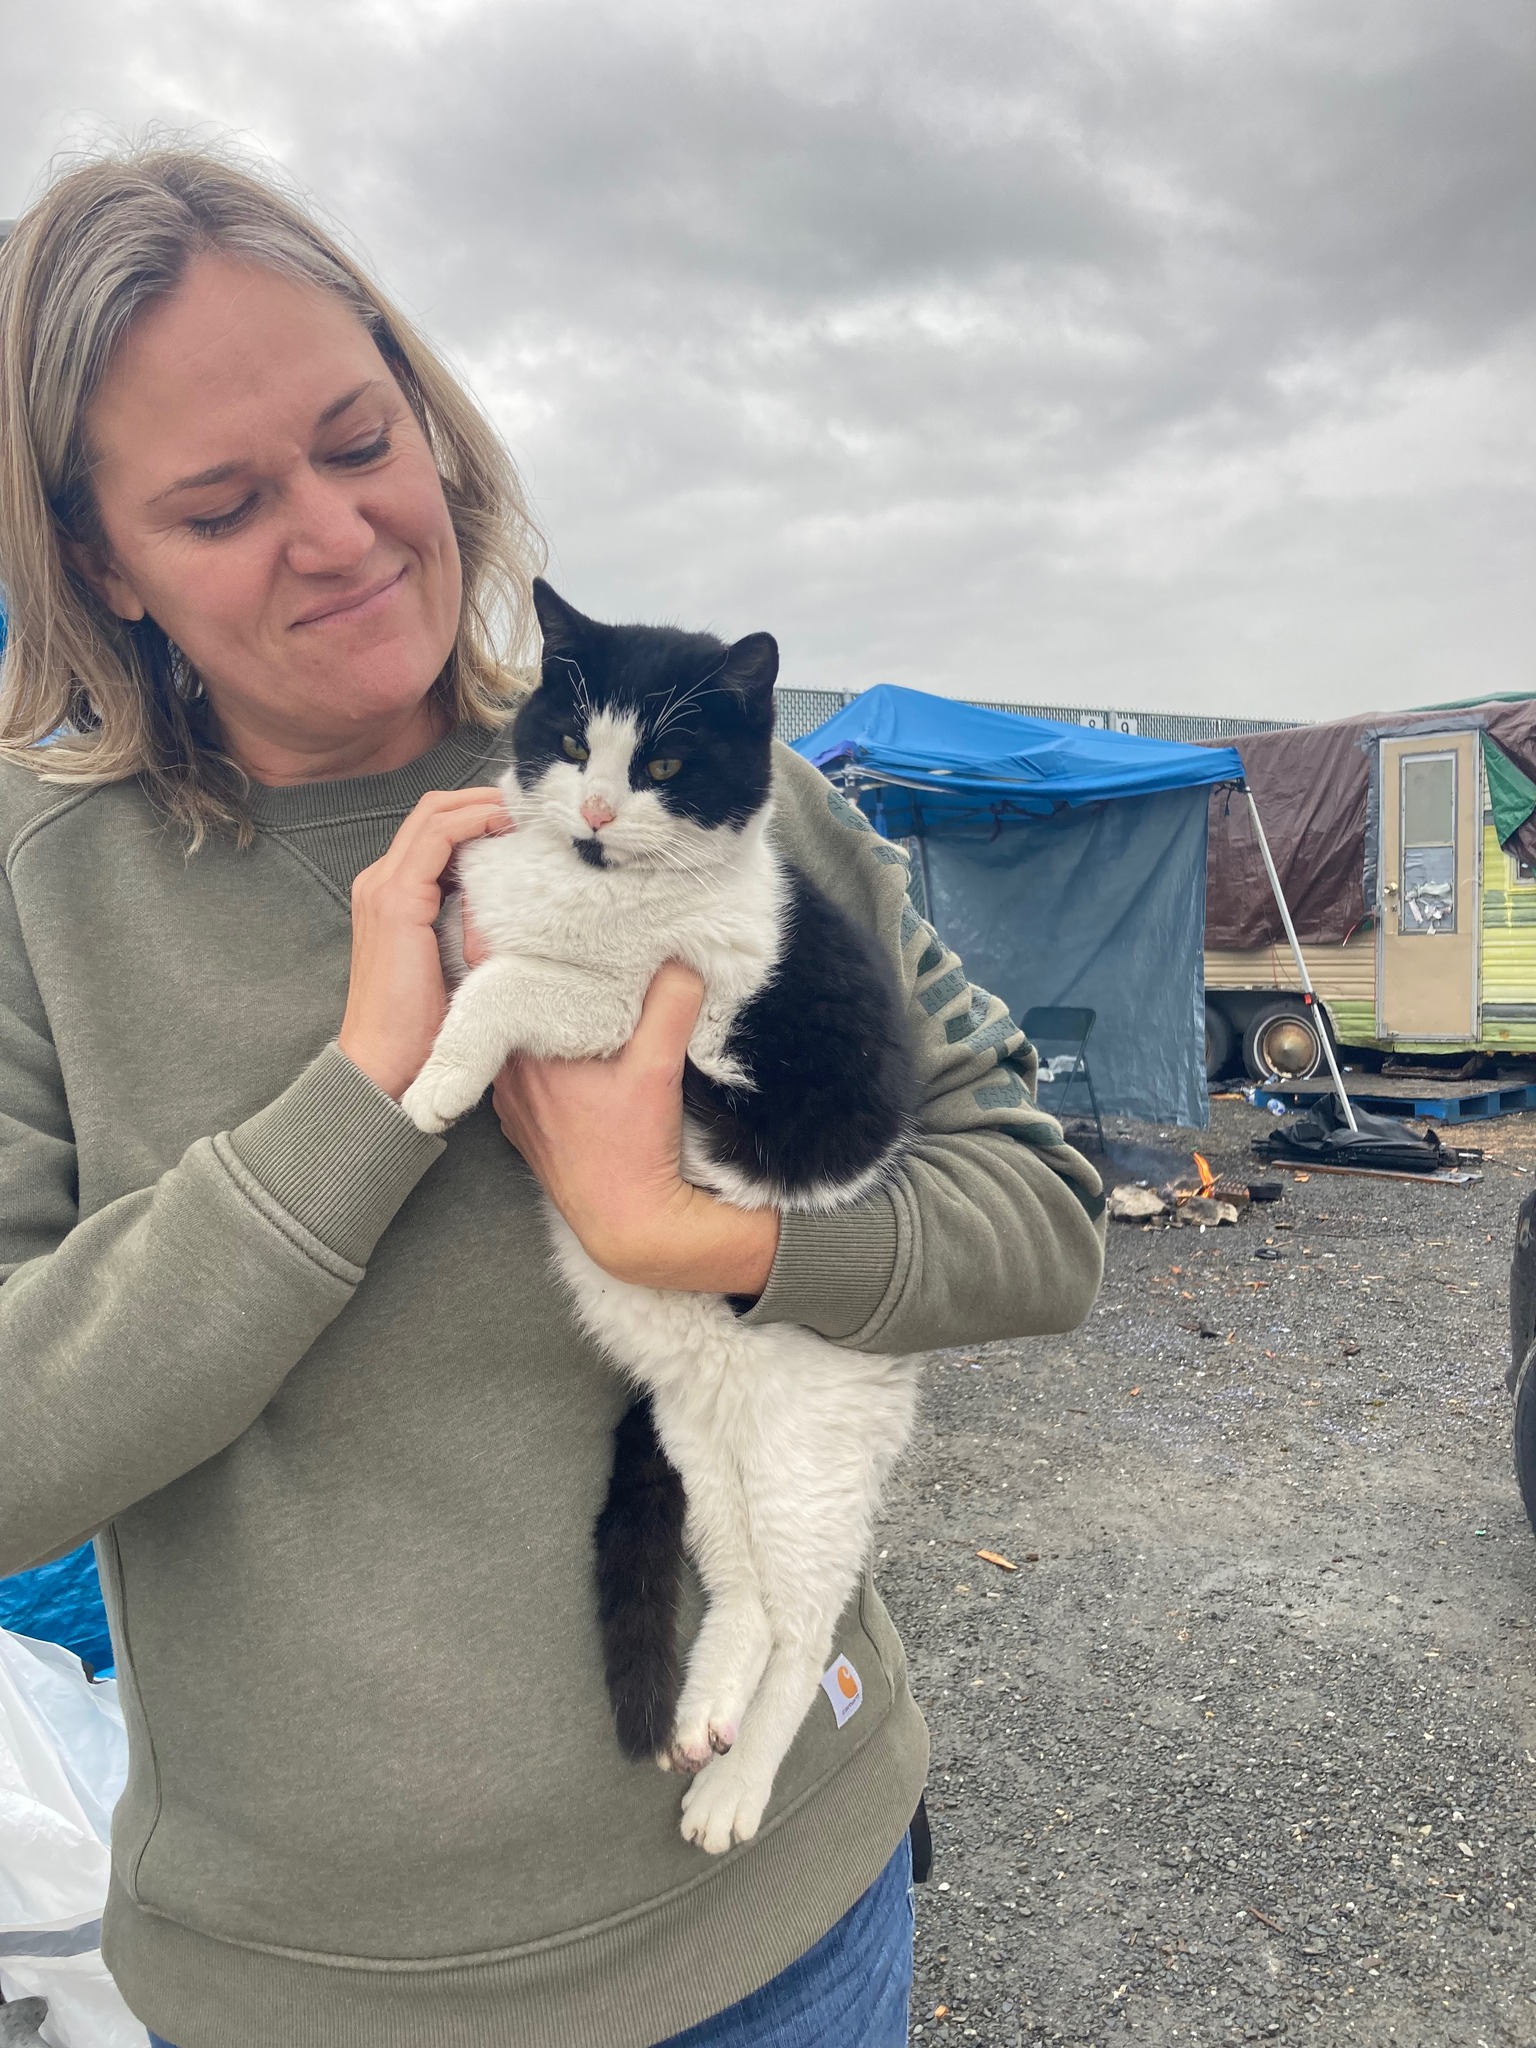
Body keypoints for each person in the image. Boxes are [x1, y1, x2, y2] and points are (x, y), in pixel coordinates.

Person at [0, 146, 1104, 2048]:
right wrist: (363, 1099)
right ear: (100, 562)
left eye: (361, 440)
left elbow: (1039, 1216)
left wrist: (691, 1229)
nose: (338, 534)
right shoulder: (40, 890)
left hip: (783, 1918)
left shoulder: (733, 804)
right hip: (318, 1993)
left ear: (434, 422)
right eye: (220, 502)